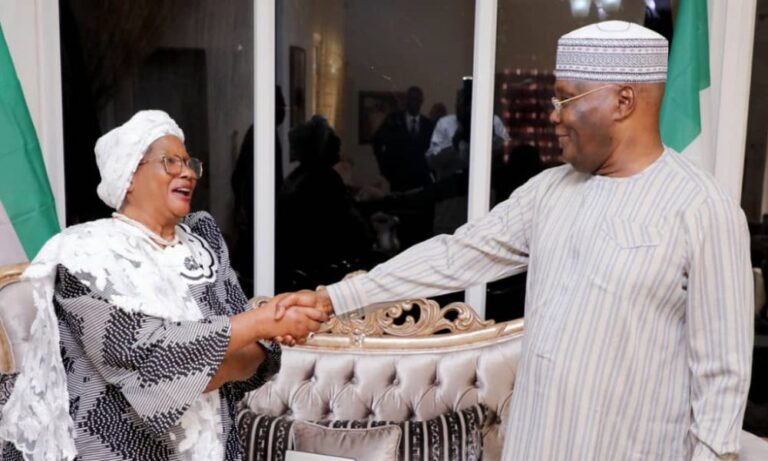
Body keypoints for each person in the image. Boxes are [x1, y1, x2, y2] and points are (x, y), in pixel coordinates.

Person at [279, 21, 754, 460]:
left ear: (623, 101)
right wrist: (335, 297)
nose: (554, 115)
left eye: (566, 99)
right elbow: (457, 255)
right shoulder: (548, 191)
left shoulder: (702, 208)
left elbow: (722, 376)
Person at [0, 110, 326, 461]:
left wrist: (209, 358)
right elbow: (145, 357)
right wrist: (257, 323)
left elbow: (262, 353)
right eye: (170, 162)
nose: (187, 172)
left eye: (189, 163)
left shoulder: (202, 243)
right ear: (129, 176)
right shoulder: (83, 255)